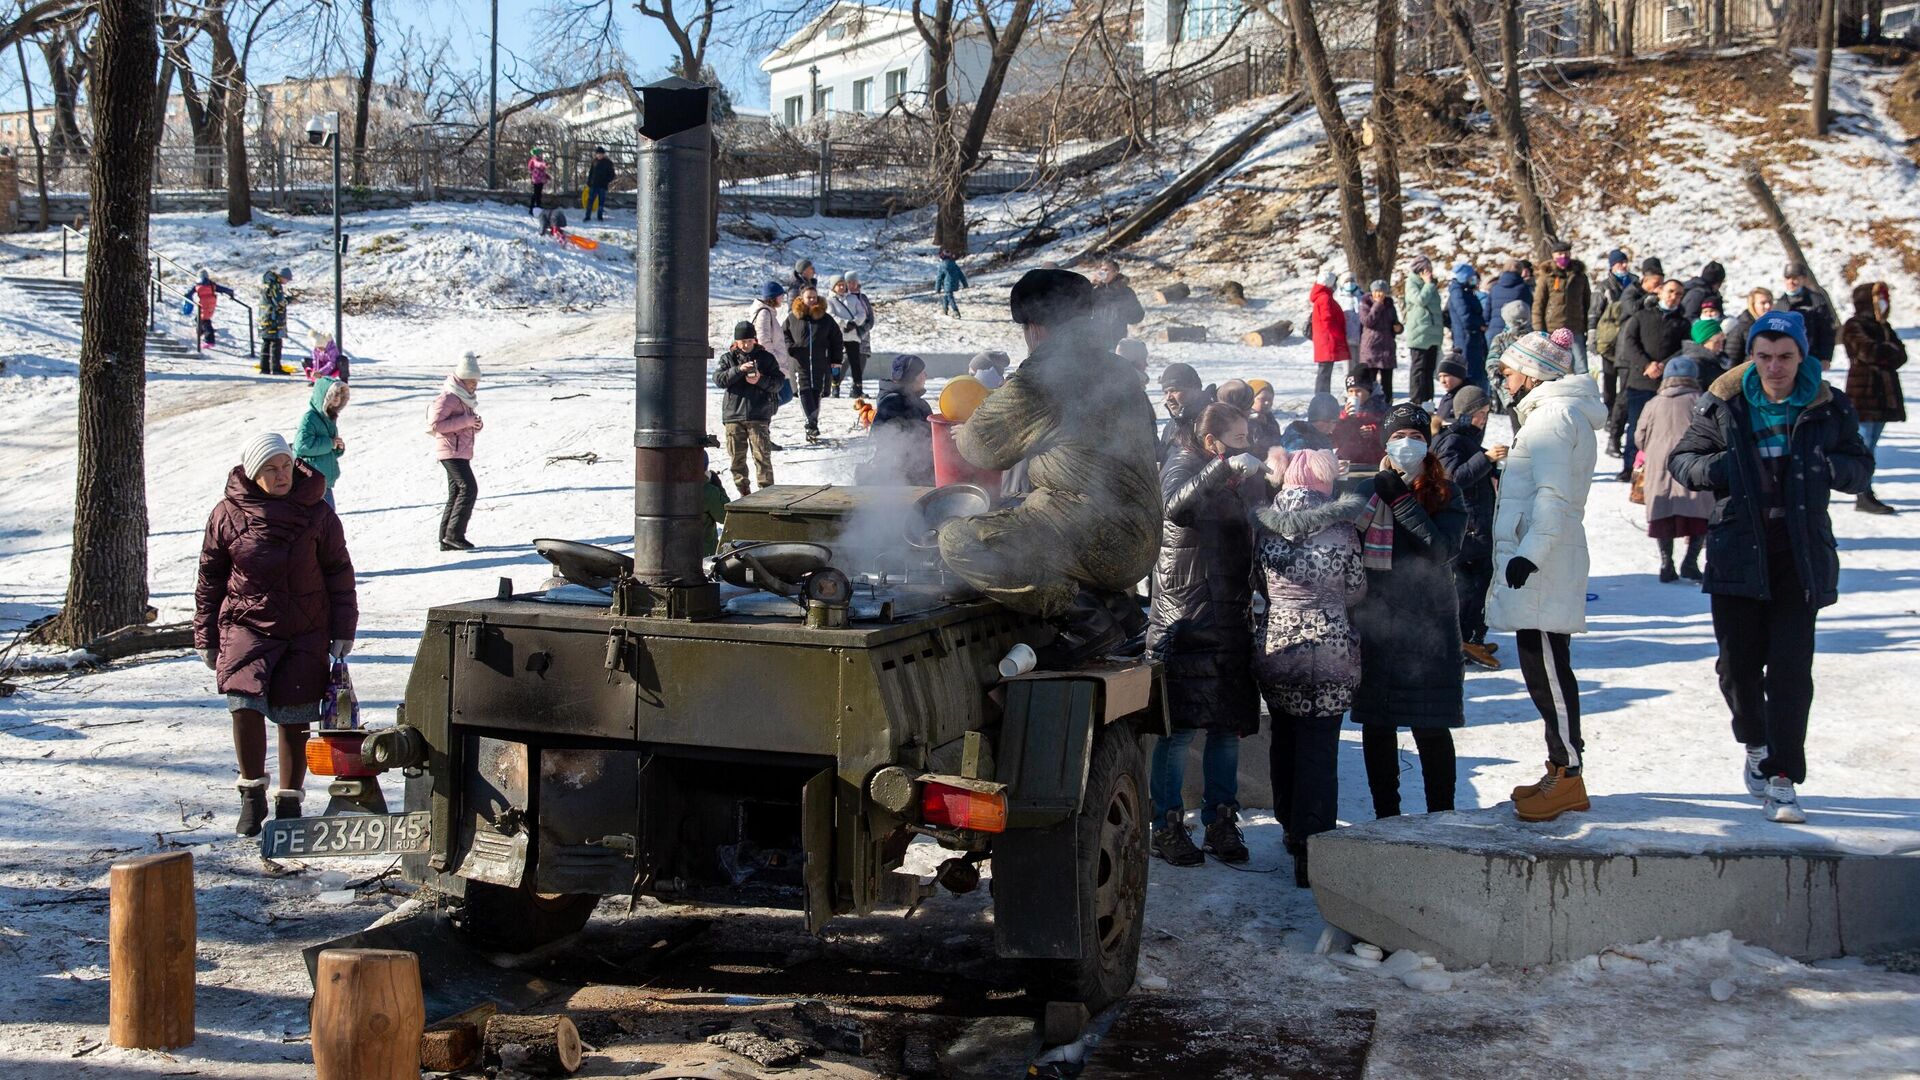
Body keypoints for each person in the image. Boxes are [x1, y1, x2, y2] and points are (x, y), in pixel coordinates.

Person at [1670, 311, 1874, 823]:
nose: (1775, 367)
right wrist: (1720, 468)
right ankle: (1756, 743)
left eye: (1785, 357)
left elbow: (1859, 465)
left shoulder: (1828, 405)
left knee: (1790, 671)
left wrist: (1831, 468)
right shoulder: (1724, 401)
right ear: (1751, 356)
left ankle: (1783, 777)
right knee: (1737, 667)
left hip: (1799, 551)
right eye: (1764, 357)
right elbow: (1682, 460)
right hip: (1739, 545)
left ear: (1802, 356)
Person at [936, 269, 1160, 665]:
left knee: (958, 539)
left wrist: (969, 425)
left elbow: (982, 449)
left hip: (1097, 534)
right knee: (1022, 505)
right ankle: (1120, 612)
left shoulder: (1045, 377)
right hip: (1140, 536)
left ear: (1035, 327)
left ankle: (1086, 621)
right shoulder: (1119, 371)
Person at [195, 432, 357, 836]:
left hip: (305, 627)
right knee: (243, 702)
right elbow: (210, 577)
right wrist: (205, 636)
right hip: (245, 623)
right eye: (270, 468)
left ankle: (289, 801)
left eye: (285, 465)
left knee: (294, 713)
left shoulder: (316, 511)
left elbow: (339, 570)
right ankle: (252, 796)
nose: (281, 474)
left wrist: (344, 628)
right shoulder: (227, 514)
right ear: (253, 473)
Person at [1485, 329, 1607, 822]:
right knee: (1541, 669)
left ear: (1532, 373)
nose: (1506, 380)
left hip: (1543, 562)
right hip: (1540, 558)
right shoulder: (1547, 415)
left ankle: (1569, 773)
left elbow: (1553, 496)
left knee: (1549, 673)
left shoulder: (1553, 417)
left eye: (1510, 371)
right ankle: (1559, 766)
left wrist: (1528, 554)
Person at [1148, 402, 1263, 866]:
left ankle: (1220, 820)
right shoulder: (1181, 463)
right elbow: (1175, 506)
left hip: (1230, 616)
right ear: (1212, 442)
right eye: (1238, 440)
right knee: (1178, 731)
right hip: (1186, 619)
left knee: (1227, 729)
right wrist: (1221, 468)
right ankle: (1166, 825)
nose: (1245, 447)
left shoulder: (1230, 475)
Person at [1251, 448, 1366, 887]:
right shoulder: (1342, 529)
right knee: (1320, 745)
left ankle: (1288, 824)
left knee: (1284, 736)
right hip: (1331, 646)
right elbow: (1355, 588)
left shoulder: (1264, 529)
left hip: (1279, 643)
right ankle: (1311, 845)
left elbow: (1260, 584)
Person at [1351, 403, 1468, 820]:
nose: (1406, 444)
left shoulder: (1446, 493)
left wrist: (1400, 498)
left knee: (1430, 725)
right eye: (1398, 437)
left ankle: (1443, 815)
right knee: (1377, 726)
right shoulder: (1366, 491)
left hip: (1428, 626)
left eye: (1415, 437)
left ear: (1429, 444)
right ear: (1385, 442)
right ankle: (1386, 816)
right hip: (1376, 621)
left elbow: (1440, 549)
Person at [1431, 386, 1504, 668]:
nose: (1483, 420)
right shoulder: (1453, 442)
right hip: (1468, 529)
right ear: (1464, 414)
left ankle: (1473, 636)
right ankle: (1466, 640)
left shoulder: (1466, 440)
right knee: (1472, 586)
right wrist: (1485, 460)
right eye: (1478, 414)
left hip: (1476, 525)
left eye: (1485, 414)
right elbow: (1453, 479)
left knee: (1479, 583)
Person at [1634, 355, 1713, 582]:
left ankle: (1666, 563)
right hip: (1693, 465)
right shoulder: (1701, 401)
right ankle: (1690, 562)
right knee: (1698, 515)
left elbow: (1639, 438)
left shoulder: (1653, 403)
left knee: (1664, 514)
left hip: (1660, 465)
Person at [1841, 280, 1906, 515]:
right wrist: (1888, 351)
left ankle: (1865, 489)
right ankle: (1862, 492)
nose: (1883, 303)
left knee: (1872, 446)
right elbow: (1869, 351)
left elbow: (1901, 355)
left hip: (1883, 398)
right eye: (1878, 298)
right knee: (1863, 445)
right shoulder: (1854, 325)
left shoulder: (1884, 326)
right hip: (1864, 395)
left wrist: (1887, 351)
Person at [1616, 276, 1690, 482]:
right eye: (1671, 291)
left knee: (1664, 429)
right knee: (1636, 426)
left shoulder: (1682, 323)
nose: (1674, 297)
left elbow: (1684, 348)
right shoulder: (1641, 316)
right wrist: (1646, 364)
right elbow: (1629, 343)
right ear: (1660, 292)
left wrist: (1664, 365)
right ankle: (1630, 466)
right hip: (1640, 381)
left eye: (1679, 294)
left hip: (1667, 384)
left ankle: (1661, 468)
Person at [714, 320, 784, 496]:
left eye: (749, 341)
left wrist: (759, 379)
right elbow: (719, 380)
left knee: (762, 457)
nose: (745, 345)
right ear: (736, 342)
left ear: (755, 340)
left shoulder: (766, 358)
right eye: (742, 341)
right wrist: (738, 370)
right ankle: (743, 492)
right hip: (733, 416)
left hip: (758, 415)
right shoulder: (728, 359)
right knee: (737, 459)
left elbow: (778, 383)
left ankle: (766, 493)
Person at [429, 352, 484, 551]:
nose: (474, 386)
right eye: (471, 382)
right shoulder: (449, 397)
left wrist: (475, 425)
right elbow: (435, 424)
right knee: (469, 489)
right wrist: (467, 421)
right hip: (450, 451)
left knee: (456, 492)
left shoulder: (464, 399)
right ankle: (454, 535)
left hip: (459, 451)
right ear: (461, 380)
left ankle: (445, 538)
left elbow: (462, 424)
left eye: (476, 383)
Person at [784, 284, 844, 444]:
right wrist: (790, 348)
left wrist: (836, 360)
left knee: (816, 392)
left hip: (820, 363)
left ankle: (812, 423)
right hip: (799, 362)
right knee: (804, 391)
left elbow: (837, 339)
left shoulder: (825, 319)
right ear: (801, 299)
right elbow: (784, 335)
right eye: (808, 297)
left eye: (814, 297)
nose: (812, 300)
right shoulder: (793, 317)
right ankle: (810, 424)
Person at [1590, 249, 1635, 449]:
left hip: (1628, 341)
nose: (1623, 266)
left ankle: (1621, 416)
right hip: (1609, 342)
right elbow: (1594, 312)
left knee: (1625, 383)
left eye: (1625, 262)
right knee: (1609, 382)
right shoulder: (1604, 287)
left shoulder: (1634, 282)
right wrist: (1592, 336)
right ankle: (1609, 414)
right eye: (1619, 263)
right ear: (1612, 265)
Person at [871, 354, 935, 486]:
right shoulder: (893, 402)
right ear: (913, 377)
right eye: (922, 373)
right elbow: (886, 437)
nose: (926, 376)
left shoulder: (916, 402)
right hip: (901, 477)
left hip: (920, 468)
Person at [1534, 241, 1592, 373]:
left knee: (1581, 365)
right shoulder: (1546, 277)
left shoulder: (1580, 277)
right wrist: (1539, 330)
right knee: (1556, 366)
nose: (1563, 257)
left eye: (1566, 253)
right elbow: (1538, 305)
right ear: (1553, 256)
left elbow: (1587, 303)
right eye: (1560, 254)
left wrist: (1588, 326)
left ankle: (1584, 392)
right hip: (1553, 329)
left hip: (1575, 327)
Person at [293, 376, 349, 505]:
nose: (336, 398)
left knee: (327, 517)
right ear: (323, 395)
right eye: (333, 394)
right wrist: (330, 443)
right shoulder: (310, 418)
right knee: (324, 517)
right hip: (310, 479)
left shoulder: (330, 417)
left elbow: (327, 450)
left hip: (323, 480)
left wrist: (337, 448)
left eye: (339, 395)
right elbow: (301, 446)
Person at [1776, 263, 1837, 369]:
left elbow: (1827, 331)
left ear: (1803, 279)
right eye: (1788, 278)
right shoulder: (1779, 304)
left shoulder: (1816, 301)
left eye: (1795, 278)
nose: (1791, 282)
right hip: (1785, 358)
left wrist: (1826, 357)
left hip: (1811, 357)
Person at [1403, 255, 1446, 403]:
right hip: (1419, 334)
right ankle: (1416, 401)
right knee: (1418, 370)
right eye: (1426, 269)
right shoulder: (1411, 283)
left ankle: (1428, 402)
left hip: (1432, 335)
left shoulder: (1431, 285)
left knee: (1429, 371)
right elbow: (1419, 300)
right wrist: (1428, 284)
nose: (1429, 272)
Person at [1157, 362, 1214, 465]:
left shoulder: (1210, 420)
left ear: (1195, 389)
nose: (1168, 398)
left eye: (1174, 390)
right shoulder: (1173, 423)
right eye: (1165, 392)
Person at [829, 272, 875, 398]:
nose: (852, 285)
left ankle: (857, 389)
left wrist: (860, 327)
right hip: (843, 335)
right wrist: (846, 325)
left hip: (861, 337)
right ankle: (834, 387)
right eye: (849, 282)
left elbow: (868, 316)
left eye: (854, 282)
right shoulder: (835, 300)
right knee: (842, 362)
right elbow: (832, 315)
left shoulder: (861, 298)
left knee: (860, 363)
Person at [1088, 256, 1145, 352]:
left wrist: (1122, 310)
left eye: (1106, 270)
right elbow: (1080, 307)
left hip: (1117, 342)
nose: (1103, 273)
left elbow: (1138, 316)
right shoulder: (1096, 291)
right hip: (1096, 342)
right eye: (1101, 270)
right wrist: (1090, 285)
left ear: (1115, 272)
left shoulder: (1125, 292)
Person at [1357, 278, 1400, 403]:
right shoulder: (1365, 303)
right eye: (1376, 291)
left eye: (1382, 292)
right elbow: (1368, 321)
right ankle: (1369, 405)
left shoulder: (1390, 305)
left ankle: (1387, 404)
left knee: (1387, 382)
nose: (1379, 294)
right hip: (1371, 348)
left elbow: (1394, 321)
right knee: (1370, 380)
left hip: (1387, 348)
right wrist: (1377, 305)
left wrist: (1398, 327)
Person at [1446, 263, 1489, 386]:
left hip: (1472, 339)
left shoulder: (1466, 292)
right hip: (1467, 340)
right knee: (1470, 374)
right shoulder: (1458, 293)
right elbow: (1465, 316)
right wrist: (1479, 325)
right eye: (1471, 278)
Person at [1309, 270, 1351, 395]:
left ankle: (1322, 396)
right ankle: (1322, 397)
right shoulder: (1325, 298)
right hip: (1327, 341)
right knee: (1325, 372)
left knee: (1325, 371)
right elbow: (1327, 320)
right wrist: (1338, 334)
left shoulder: (1322, 297)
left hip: (1324, 341)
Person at [1333, 376, 1386, 465]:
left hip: (1374, 462)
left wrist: (1374, 431)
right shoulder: (1340, 411)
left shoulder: (1382, 409)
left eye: (1358, 391)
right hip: (1346, 461)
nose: (1354, 395)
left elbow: (1391, 434)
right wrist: (1344, 416)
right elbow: (1335, 437)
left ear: (1369, 391)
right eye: (1350, 391)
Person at [185, 270, 236, 351]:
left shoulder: (196, 286)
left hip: (203, 304)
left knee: (205, 321)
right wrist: (231, 293)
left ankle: (209, 340)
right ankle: (200, 331)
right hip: (211, 303)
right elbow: (224, 289)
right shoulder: (212, 285)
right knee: (200, 318)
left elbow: (188, 294)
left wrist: (187, 299)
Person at [1725, 287, 1773, 369]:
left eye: (1770, 302)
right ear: (1753, 305)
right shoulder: (1741, 328)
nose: (1767, 306)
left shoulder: (1773, 326)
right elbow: (1731, 361)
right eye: (1763, 303)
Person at [257, 267, 291, 376]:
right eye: (287, 279)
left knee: (266, 342)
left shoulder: (266, 283)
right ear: (281, 277)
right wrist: (290, 300)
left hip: (264, 317)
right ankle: (276, 368)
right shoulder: (275, 285)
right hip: (273, 318)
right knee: (276, 342)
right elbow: (279, 302)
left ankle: (264, 368)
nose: (287, 282)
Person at [1487, 259, 1534, 339]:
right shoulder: (1524, 288)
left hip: (1494, 330)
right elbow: (1528, 309)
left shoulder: (1495, 287)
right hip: (1515, 331)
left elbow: (1487, 310)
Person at [1681, 318, 1729, 387]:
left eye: (1722, 341)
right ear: (1703, 342)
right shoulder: (1695, 365)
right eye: (1717, 342)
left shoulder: (1720, 358)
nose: (1721, 347)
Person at [1487, 299, 1531, 368]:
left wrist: (1496, 376)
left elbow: (1492, 361)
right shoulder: (1533, 337)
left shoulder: (1501, 338)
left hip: (1505, 376)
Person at [701, 456, 730, 558]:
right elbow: (726, 517)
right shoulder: (708, 491)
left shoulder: (665, 486)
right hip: (702, 555)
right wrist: (719, 487)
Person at [1431, 352, 1469, 428]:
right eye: (1440, 376)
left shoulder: (1467, 398)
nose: (1442, 381)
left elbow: (1463, 429)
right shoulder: (1448, 396)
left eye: (1446, 376)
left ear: (1459, 375)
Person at [1246, 378, 1282, 456]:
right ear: (1250, 399)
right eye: (1262, 399)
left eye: (1270, 399)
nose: (1267, 403)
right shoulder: (1244, 420)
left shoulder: (1270, 418)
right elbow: (1257, 444)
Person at [585, 146, 615, 221]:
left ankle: (600, 216)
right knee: (590, 201)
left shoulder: (608, 163)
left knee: (601, 202)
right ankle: (587, 216)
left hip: (602, 186)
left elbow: (612, 174)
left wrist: (607, 181)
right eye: (598, 154)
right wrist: (589, 182)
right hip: (593, 185)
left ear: (603, 154)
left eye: (601, 154)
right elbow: (590, 173)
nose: (599, 155)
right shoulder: (594, 162)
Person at [935, 251, 967, 316]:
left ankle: (955, 311)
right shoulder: (954, 265)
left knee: (950, 297)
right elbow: (961, 275)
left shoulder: (942, 266)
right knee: (946, 295)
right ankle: (945, 309)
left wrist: (937, 288)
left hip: (947, 284)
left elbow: (939, 278)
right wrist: (965, 284)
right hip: (955, 284)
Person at [527, 148, 550, 213]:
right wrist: (544, 165)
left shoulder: (540, 160)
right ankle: (532, 208)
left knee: (539, 194)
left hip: (541, 180)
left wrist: (546, 176)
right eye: (540, 154)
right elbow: (538, 164)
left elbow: (542, 169)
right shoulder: (534, 160)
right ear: (537, 154)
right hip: (536, 180)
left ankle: (538, 207)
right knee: (536, 194)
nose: (541, 155)